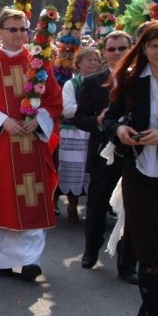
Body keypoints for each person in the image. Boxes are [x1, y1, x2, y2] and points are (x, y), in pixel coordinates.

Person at [0, 8, 63, 281]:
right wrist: (2, 121)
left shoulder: (39, 64)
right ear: (0, 32)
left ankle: (30, 260)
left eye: (23, 29)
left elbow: (53, 100)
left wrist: (39, 119)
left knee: (31, 197)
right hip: (0, 146)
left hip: (31, 145)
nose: (19, 35)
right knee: (0, 197)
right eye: (12, 29)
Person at [102, 20, 158, 316]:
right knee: (150, 255)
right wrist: (120, 128)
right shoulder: (128, 80)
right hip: (139, 175)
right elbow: (109, 121)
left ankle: (144, 315)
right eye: (154, 45)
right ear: (144, 48)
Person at [74, 32, 138, 282]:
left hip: (134, 154)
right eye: (111, 49)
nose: (117, 53)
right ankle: (91, 251)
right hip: (103, 155)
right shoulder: (92, 83)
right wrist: (99, 121)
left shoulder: (140, 80)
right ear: (104, 52)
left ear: (132, 49)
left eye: (122, 48)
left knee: (131, 210)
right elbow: (79, 119)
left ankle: (127, 264)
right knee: (97, 207)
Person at [59, 46, 100, 223]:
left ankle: (93, 210)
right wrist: (92, 113)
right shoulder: (71, 84)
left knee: (93, 171)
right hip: (73, 133)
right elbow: (67, 110)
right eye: (89, 59)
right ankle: (72, 206)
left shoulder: (102, 82)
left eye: (96, 60)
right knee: (72, 171)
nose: (93, 63)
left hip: (93, 132)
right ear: (79, 63)